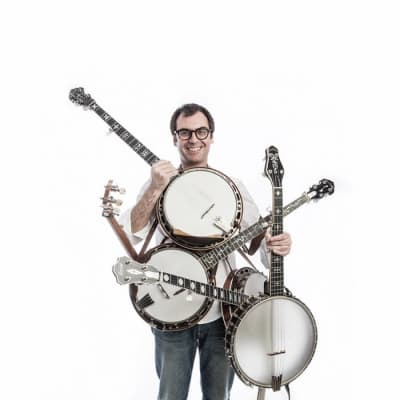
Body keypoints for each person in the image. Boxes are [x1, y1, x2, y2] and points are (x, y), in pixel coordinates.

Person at [119, 103, 292, 400]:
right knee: (170, 396)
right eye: (184, 132)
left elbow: (259, 241)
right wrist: (155, 188)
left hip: (223, 312)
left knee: (219, 396)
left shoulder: (232, 186)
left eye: (201, 131)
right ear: (174, 138)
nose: (193, 139)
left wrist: (277, 243)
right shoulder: (157, 183)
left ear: (211, 136)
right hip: (171, 309)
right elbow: (132, 233)